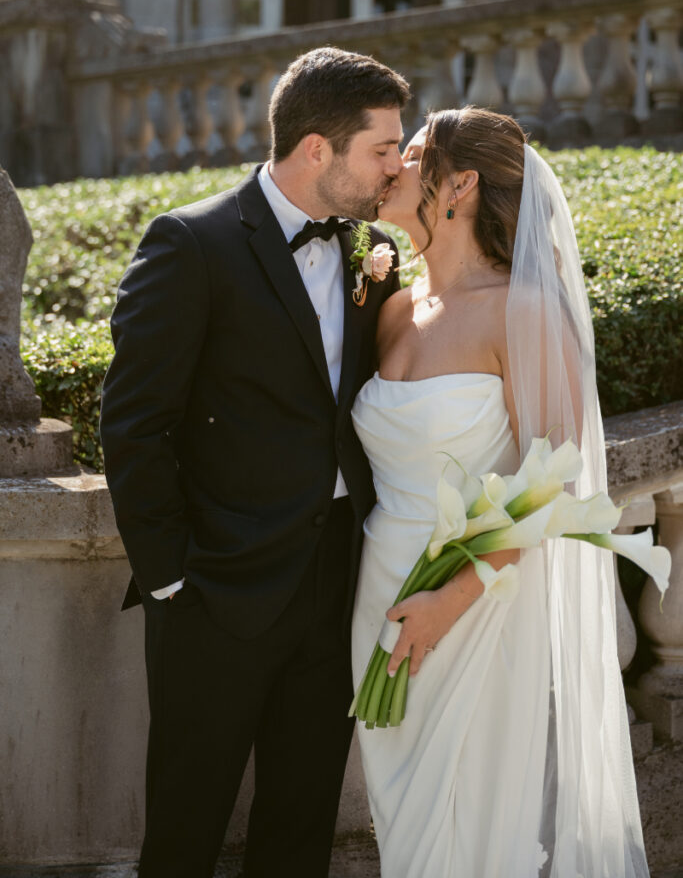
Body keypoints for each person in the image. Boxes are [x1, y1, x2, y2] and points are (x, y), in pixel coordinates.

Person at [99, 46, 409, 878]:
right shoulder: (190, 244)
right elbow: (133, 425)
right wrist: (170, 579)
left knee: (299, 826)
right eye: (382, 148)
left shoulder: (371, 249)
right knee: (185, 825)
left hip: (335, 578)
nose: (397, 165)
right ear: (318, 149)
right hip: (215, 593)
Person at [351, 106, 649, 877]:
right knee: (405, 825)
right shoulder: (388, 309)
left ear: (459, 183)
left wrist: (450, 597)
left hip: (474, 604)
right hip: (378, 594)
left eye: (410, 155)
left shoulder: (522, 311)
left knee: (474, 827)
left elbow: (552, 480)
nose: (391, 167)